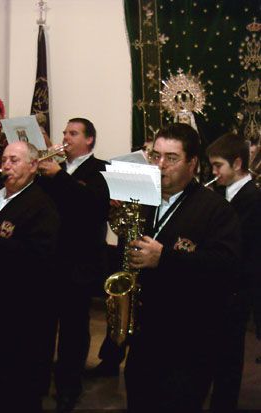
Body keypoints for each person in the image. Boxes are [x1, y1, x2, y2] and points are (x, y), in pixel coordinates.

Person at [124, 123, 241, 412]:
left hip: (188, 344)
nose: (160, 165)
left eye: (172, 158)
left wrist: (165, 259)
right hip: (143, 338)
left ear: (193, 164)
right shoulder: (142, 202)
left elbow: (225, 269)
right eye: (155, 155)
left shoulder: (216, 210)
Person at [0, 141, 60, 412]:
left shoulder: (42, 206)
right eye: (5, 159)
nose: (6, 165)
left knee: (18, 392)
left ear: (33, 166)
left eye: (15, 160)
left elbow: (41, 260)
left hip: (21, 318)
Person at [37, 117, 110, 412]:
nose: (65, 137)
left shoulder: (100, 169)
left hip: (80, 261)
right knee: (43, 324)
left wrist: (58, 175)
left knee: (73, 329)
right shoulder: (58, 168)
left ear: (89, 140)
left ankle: (69, 386)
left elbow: (91, 206)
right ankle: (41, 378)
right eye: (65, 132)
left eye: (73, 133)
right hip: (50, 258)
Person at [206, 133, 261, 412]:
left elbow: (242, 249)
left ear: (237, 163)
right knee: (213, 353)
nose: (213, 173)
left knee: (229, 358)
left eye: (218, 166)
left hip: (237, 290)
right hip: (218, 288)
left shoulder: (252, 199)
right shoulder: (221, 193)